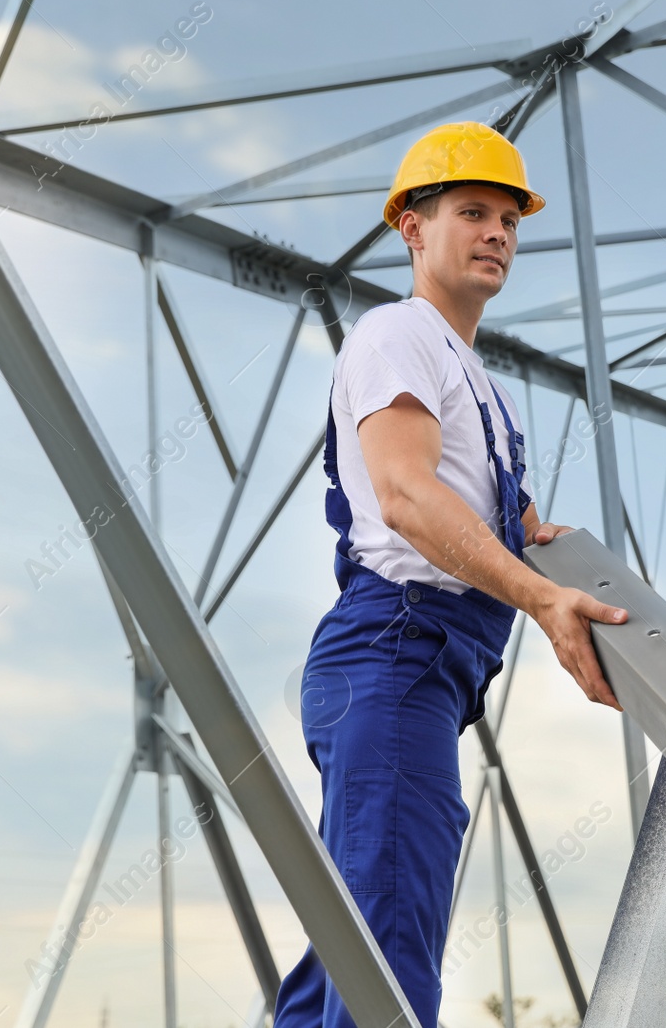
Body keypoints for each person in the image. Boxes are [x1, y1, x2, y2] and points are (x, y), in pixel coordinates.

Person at [274, 121, 629, 1028]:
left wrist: (532, 537)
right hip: (395, 654)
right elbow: (404, 494)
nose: (497, 233)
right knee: (388, 960)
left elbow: (471, 509)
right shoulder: (399, 334)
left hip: (419, 670)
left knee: (347, 956)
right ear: (411, 228)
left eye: (510, 219)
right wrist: (542, 594)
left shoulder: (476, 378)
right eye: (472, 211)